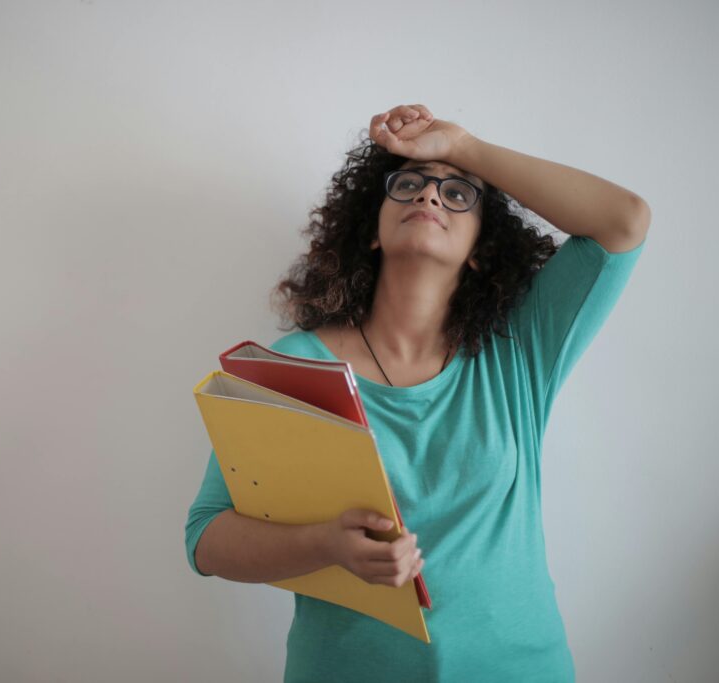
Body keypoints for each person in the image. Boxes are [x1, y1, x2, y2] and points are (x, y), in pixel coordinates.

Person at [184, 103, 649, 682]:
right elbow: (207, 538)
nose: (429, 196)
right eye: (408, 185)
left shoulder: (520, 350)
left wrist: (462, 147)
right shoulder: (292, 368)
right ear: (372, 231)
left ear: (481, 247)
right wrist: (327, 545)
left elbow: (624, 221)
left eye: (457, 193)